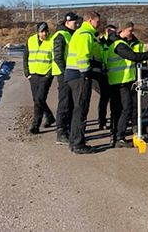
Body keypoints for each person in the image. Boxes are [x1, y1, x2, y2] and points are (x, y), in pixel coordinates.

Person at [106, 22, 148, 148]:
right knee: (126, 108)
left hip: (123, 80)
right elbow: (133, 56)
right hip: (120, 81)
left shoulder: (118, 43)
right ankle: (119, 137)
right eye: (129, 30)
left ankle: (117, 135)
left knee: (123, 108)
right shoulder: (119, 44)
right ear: (122, 30)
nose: (131, 33)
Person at [64, 10, 103, 154]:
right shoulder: (85, 35)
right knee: (81, 109)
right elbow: (82, 56)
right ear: (90, 21)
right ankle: (78, 144)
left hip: (73, 74)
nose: (98, 24)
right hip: (79, 76)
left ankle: (74, 141)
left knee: (78, 109)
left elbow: (96, 52)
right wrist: (86, 73)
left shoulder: (81, 34)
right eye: (97, 21)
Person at [50, 12, 79, 145]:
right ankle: (61, 132)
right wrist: (64, 72)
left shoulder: (70, 34)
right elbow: (58, 56)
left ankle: (67, 129)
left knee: (70, 103)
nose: (77, 25)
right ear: (67, 22)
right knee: (65, 102)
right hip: (64, 74)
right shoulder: (60, 35)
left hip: (70, 72)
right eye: (75, 23)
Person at [23, 22, 56, 134]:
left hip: (46, 75)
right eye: (42, 32)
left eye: (46, 31)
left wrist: (50, 74)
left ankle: (35, 125)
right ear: (38, 32)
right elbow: (25, 56)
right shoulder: (31, 40)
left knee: (39, 99)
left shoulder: (52, 40)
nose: (44, 34)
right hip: (33, 74)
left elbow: (55, 58)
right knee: (36, 99)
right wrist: (27, 72)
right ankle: (50, 116)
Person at [96, 24, 118, 131]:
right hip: (103, 74)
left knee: (115, 99)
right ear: (106, 31)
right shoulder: (100, 42)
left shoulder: (116, 43)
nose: (112, 33)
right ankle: (102, 120)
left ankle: (114, 122)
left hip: (114, 74)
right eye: (110, 31)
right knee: (104, 98)